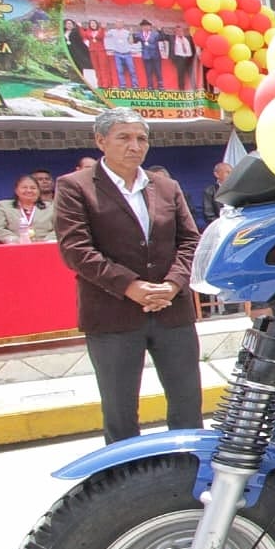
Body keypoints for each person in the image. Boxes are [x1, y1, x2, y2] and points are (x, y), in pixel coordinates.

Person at [54, 109, 203, 444]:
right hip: (112, 316)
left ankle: (189, 474)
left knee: (187, 404)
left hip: (172, 312)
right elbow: (76, 249)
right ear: (100, 141)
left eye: (141, 138)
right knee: (120, 412)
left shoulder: (167, 186)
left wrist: (172, 284)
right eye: (124, 137)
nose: (134, 146)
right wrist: (130, 286)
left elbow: (191, 241)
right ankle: (126, 486)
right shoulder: (75, 186)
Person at [0, 175, 57, 244]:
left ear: (39, 191)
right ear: (16, 190)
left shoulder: (51, 207)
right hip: (14, 248)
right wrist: (15, 240)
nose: (29, 190)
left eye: (33, 188)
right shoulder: (3, 206)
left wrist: (46, 241)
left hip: (45, 247)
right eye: (24, 187)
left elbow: (59, 228)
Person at [134, 19, 167, 90]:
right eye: (144, 26)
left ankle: (160, 85)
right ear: (141, 27)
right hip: (146, 56)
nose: (145, 27)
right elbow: (134, 41)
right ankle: (150, 86)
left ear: (150, 27)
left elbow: (162, 38)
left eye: (147, 26)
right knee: (148, 72)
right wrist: (131, 34)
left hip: (156, 55)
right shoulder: (139, 34)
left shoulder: (155, 33)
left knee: (158, 71)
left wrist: (160, 30)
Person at [104, 23, 138, 89]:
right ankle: (123, 85)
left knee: (132, 70)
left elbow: (131, 42)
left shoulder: (126, 32)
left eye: (120, 23)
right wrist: (104, 28)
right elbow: (104, 35)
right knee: (120, 71)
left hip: (127, 53)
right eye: (117, 23)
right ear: (115, 24)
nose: (118, 25)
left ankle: (135, 85)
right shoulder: (112, 31)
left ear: (123, 24)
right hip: (117, 54)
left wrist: (131, 34)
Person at [64, 19, 95, 85]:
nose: (68, 25)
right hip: (69, 51)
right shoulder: (64, 32)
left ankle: (83, 80)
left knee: (80, 64)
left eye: (70, 24)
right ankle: (74, 79)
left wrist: (80, 27)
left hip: (77, 50)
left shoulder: (76, 31)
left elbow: (83, 34)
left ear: (73, 25)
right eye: (67, 24)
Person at [202, 161, 232, 226]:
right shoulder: (210, 191)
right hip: (221, 226)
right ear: (217, 174)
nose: (230, 175)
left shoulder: (238, 189)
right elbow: (209, 215)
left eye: (232, 172)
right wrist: (223, 225)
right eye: (227, 172)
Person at [171, 25, 196, 90]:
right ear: (175, 32)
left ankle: (195, 89)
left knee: (191, 74)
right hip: (180, 59)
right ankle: (182, 90)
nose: (179, 32)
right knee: (181, 75)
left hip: (189, 58)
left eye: (181, 31)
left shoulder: (188, 38)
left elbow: (193, 47)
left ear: (183, 31)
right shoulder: (172, 38)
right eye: (177, 31)